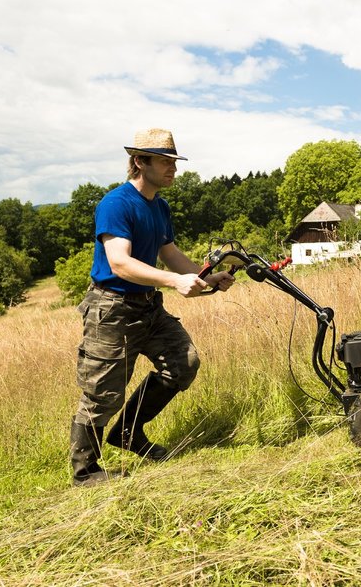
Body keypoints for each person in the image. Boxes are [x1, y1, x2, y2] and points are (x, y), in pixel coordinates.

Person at [69, 128, 235, 486]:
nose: (172, 169)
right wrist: (174, 282)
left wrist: (208, 276)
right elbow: (120, 263)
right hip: (111, 308)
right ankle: (85, 471)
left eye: (173, 161)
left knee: (183, 362)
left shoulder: (160, 206)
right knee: (103, 393)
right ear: (139, 162)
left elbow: (170, 253)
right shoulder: (116, 203)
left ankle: (128, 433)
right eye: (164, 162)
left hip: (148, 306)